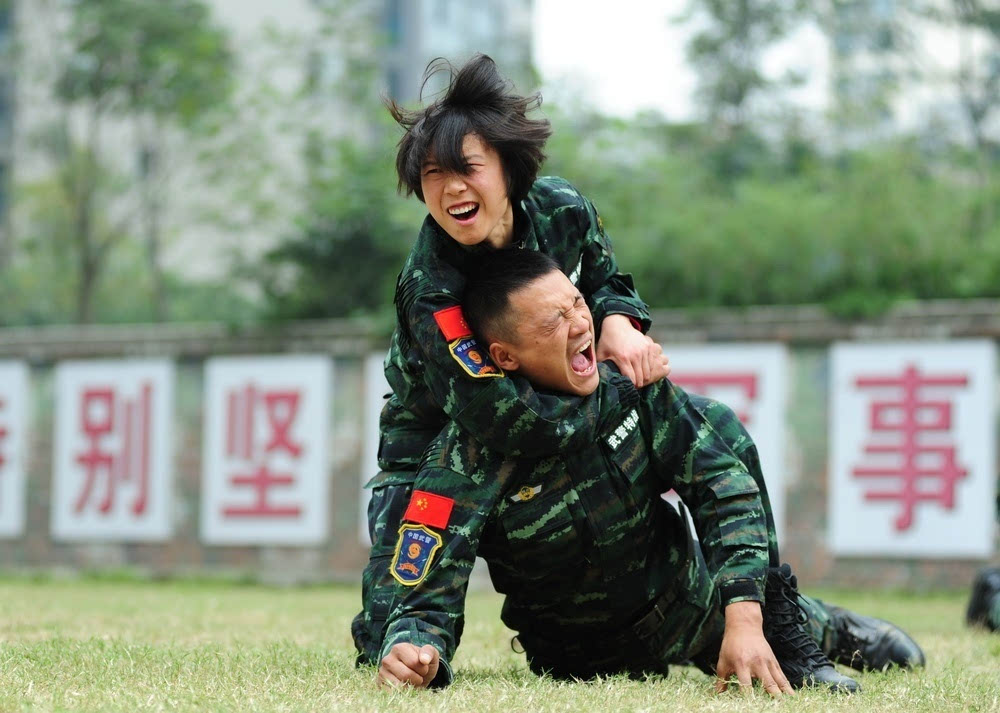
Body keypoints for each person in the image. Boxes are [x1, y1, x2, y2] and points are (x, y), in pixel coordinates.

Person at [366, 250, 926, 694]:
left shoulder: (633, 396)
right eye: (554, 320)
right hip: (577, 659)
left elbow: (723, 489)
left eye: (576, 305)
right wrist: (418, 650)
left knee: (831, 639)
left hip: (690, 603)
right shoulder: (465, 456)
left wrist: (748, 622)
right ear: (505, 356)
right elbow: (426, 584)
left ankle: (824, 625)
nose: (579, 324)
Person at [353, 53, 670, 657]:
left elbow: (607, 280)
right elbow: (499, 414)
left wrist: (621, 325)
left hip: (564, 408)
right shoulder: (431, 288)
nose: (449, 190)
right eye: (430, 175)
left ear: (507, 168)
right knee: (387, 637)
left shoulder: (563, 209)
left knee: (647, 580)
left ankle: (811, 625)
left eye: (466, 168)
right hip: (438, 445)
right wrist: (615, 395)